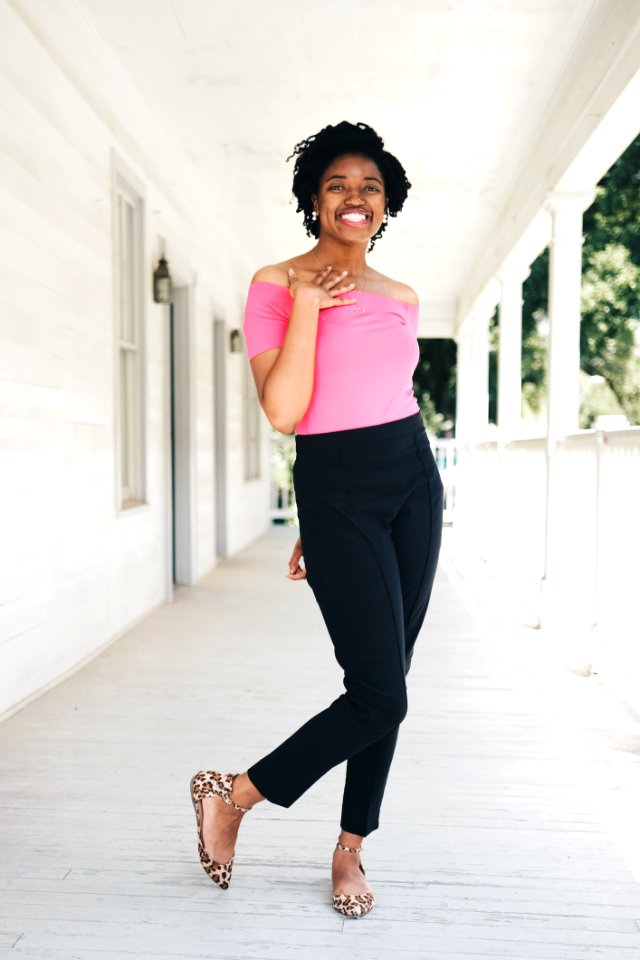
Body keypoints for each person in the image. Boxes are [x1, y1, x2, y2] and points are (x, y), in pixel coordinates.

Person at [190, 120, 444, 919]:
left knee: (389, 683)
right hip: (335, 483)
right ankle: (233, 795)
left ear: (387, 204)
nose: (355, 198)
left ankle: (348, 851)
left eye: (370, 186)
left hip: (411, 478)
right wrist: (306, 305)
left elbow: (384, 395)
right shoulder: (275, 282)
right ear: (313, 199)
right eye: (338, 184)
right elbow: (285, 409)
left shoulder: (401, 296)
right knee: (379, 693)